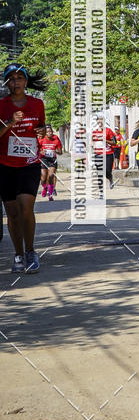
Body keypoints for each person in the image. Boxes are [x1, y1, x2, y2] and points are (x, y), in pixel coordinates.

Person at [0, 63, 48, 273]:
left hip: (29, 163)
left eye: (20, 77)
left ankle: (30, 251)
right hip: (4, 165)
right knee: (12, 212)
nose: (16, 81)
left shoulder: (37, 104)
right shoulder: (1, 105)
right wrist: (9, 122)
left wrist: (43, 131)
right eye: (12, 78)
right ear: (7, 82)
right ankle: (18, 254)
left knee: (25, 206)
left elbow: (43, 129)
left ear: (26, 82)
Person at [92, 117, 118, 193]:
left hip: (108, 154)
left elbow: (114, 142)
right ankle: (101, 192)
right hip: (98, 154)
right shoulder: (94, 132)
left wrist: (105, 140)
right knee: (99, 173)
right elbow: (92, 142)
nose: (99, 122)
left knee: (107, 171)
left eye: (101, 120)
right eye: (98, 120)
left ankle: (110, 178)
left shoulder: (108, 131)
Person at [39, 124, 62, 201]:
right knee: (43, 179)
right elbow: (36, 150)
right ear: (45, 133)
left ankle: (50, 194)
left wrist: (55, 151)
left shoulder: (56, 138)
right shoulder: (41, 139)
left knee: (51, 176)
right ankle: (45, 188)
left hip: (52, 160)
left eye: (51, 131)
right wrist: (41, 152)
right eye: (47, 131)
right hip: (44, 159)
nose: (49, 133)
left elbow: (60, 152)